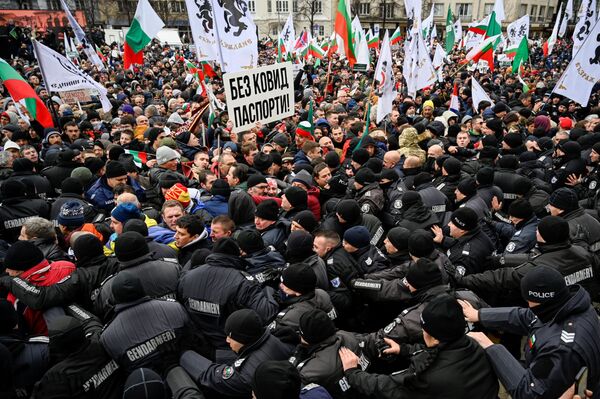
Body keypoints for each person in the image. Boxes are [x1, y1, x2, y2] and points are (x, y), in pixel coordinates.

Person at [462, 266, 600, 398]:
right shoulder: (570, 306)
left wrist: (492, 348)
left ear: (538, 300)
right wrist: (479, 315)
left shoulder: (560, 349)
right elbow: (526, 317)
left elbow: (528, 392)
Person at [339, 295, 499, 399]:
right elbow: (435, 352)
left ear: (432, 336)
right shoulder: (474, 344)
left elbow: (390, 387)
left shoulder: (428, 376)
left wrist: (353, 373)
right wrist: (403, 350)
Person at [180, 309, 292, 397]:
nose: (227, 340)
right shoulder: (276, 337)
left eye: (231, 337)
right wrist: (213, 354)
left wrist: (184, 355)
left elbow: (215, 378)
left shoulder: (247, 374)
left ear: (243, 339)